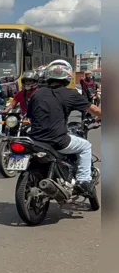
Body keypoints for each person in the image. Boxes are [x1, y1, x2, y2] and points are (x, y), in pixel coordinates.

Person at [26, 62, 101, 197]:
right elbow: (94, 109)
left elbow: (30, 116)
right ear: (67, 77)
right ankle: (84, 181)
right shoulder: (71, 94)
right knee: (85, 146)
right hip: (57, 140)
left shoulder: (37, 94)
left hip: (35, 139)